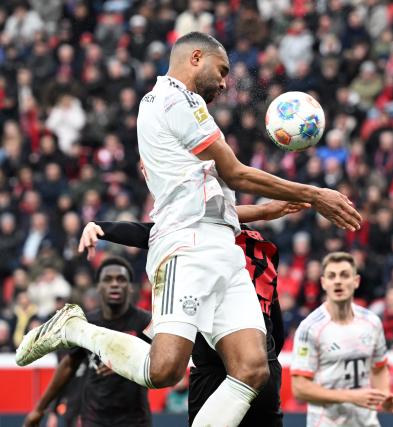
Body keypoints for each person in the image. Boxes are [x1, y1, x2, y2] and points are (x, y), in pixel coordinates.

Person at [16, 32, 361, 427]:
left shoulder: (189, 108)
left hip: (223, 247)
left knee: (253, 368)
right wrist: (315, 194)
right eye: (222, 70)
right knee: (164, 370)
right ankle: (75, 328)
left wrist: (268, 212)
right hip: (186, 246)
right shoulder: (171, 99)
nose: (226, 81)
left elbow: (215, 198)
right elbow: (233, 171)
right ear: (196, 57)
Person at [77, 200, 304, 427]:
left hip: (210, 360)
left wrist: (102, 228)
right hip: (259, 354)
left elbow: (149, 233)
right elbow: (274, 318)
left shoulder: (195, 237)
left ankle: (73, 329)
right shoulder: (263, 249)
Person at [23, 257, 152, 427]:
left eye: (121, 280)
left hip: (135, 419)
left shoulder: (145, 322)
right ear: (98, 287)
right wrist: (39, 409)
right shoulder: (86, 324)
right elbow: (68, 366)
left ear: (129, 287)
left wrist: (127, 361)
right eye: (108, 279)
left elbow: (161, 363)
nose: (115, 284)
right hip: (94, 418)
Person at [291, 251, 393, 427]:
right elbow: (299, 389)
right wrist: (352, 396)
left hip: (366, 423)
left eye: (344, 275)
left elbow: (379, 367)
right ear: (323, 283)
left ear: (356, 281)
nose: (338, 281)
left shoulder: (372, 322)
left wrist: (385, 397)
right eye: (331, 276)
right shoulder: (310, 328)